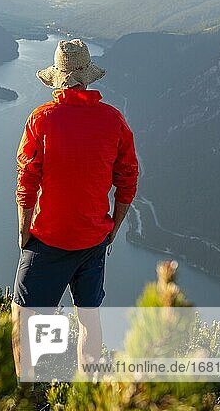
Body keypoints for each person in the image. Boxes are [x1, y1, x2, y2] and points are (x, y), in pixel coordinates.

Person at [11, 38, 139, 380]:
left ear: (57, 79)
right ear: (87, 79)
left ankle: (30, 398)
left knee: (26, 320)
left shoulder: (42, 119)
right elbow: (128, 178)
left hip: (47, 241)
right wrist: (112, 227)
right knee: (89, 321)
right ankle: (88, 395)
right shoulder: (113, 121)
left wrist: (25, 233)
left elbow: (27, 182)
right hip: (93, 242)